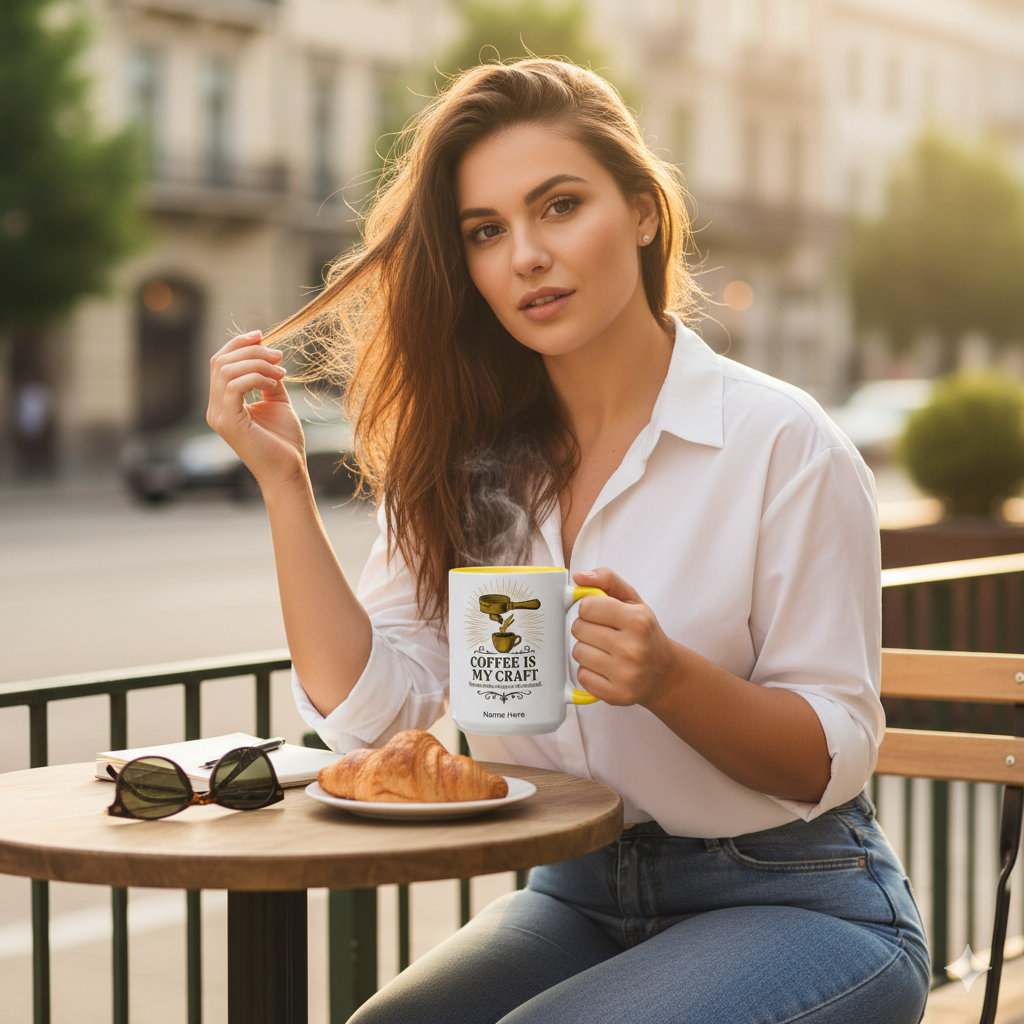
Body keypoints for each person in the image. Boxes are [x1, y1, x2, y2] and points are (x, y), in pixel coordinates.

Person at [207, 59, 931, 1024]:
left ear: (640, 211)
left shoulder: (781, 443)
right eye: (486, 232)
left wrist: (669, 677)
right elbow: (376, 716)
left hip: (799, 897)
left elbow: (830, 757)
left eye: (558, 206)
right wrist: (284, 483)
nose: (526, 257)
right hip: (575, 894)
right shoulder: (473, 461)